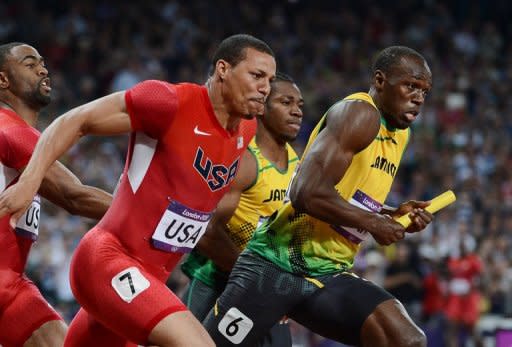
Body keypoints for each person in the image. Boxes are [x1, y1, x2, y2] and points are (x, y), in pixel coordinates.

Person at [0, 34, 276, 346]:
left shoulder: (246, 131)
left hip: (148, 278)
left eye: (269, 79)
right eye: (257, 75)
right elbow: (74, 120)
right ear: (223, 69)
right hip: (108, 260)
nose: (265, 87)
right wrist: (28, 182)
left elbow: (201, 217)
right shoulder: (168, 102)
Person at [203, 46, 434, 347]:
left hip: (326, 273)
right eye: (410, 86)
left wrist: (391, 214)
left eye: (424, 91)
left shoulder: (401, 134)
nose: (418, 97)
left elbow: (349, 196)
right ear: (380, 81)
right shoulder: (360, 114)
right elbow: (306, 192)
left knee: (405, 340)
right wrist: (373, 223)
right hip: (275, 267)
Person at [0, 42, 112, 347]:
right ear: (2, 80)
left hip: (10, 285)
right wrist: (145, 213)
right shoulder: (9, 129)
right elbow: (74, 196)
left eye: (43, 62)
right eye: (29, 63)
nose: (42, 68)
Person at [181, 72, 303, 346]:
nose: (296, 111)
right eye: (286, 102)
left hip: (262, 288)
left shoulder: (297, 163)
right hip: (216, 282)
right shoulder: (245, 162)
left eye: (300, 105)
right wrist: (258, 281)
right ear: (262, 108)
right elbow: (205, 231)